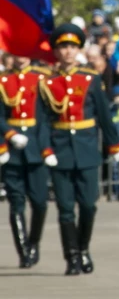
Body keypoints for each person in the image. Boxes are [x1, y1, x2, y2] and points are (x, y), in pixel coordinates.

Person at [40, 24, 119, 275]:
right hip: (60, 150)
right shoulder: (48, 82)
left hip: (86, 150)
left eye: (72, 47)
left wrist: (114, 144)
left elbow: (104, 116)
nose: (67, 51)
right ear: (55, 51)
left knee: (88, 205)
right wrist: (46, 149)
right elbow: (42, 120)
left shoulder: (90, 79)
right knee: (65, 209)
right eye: (63, 47)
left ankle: (84, 247)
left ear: (78, 49)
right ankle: (72, 256)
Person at [0, 57, 57, 268]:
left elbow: (45, 118)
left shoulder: (41, 80)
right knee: (16, 202)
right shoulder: (4, 80)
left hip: (35, 147)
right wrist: (8, 135)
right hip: (12, 149)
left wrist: (46, 147)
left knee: (40, 202)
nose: (19, 58)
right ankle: (24, 250)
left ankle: (34, 242)